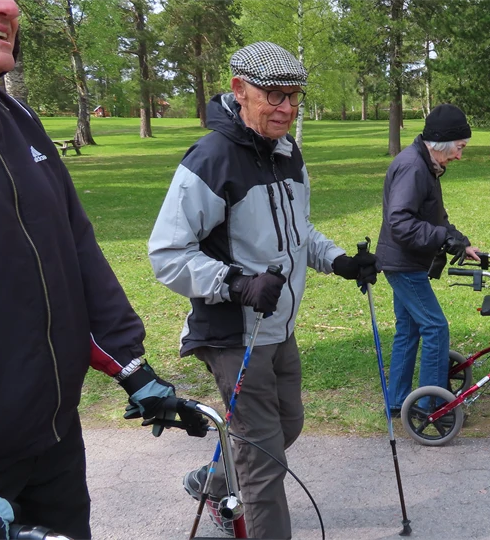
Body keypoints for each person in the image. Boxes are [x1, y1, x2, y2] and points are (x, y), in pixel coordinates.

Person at [0, 1, 179, 539]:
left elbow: (74, 250)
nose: (9, 8)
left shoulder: (16, 117)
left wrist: (131, 366)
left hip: (51, 440)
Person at [148, 41, 378, 540]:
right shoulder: (211, 159)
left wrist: (339, 261)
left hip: (277, 326)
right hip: (233, 333)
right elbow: (167, 254)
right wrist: (236, 283)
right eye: (274, 96)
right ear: (240, 89)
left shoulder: (286, 152)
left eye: (293, 96)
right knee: (265, 461)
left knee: (287, 425)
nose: (287, 108)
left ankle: (212, 482)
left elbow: (298, 231)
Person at [375, 103, 481, 418]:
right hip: (404, 265)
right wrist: (442, 239)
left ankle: (397, 403)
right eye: (460, 147)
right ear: (442, 142)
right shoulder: (414, 167)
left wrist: (460, 241)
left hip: (406, 261)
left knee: (408, 331)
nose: (460, 155)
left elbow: (434, 217)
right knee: (435, 328)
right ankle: (432, 407)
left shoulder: (426, 163)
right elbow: (400, 222)